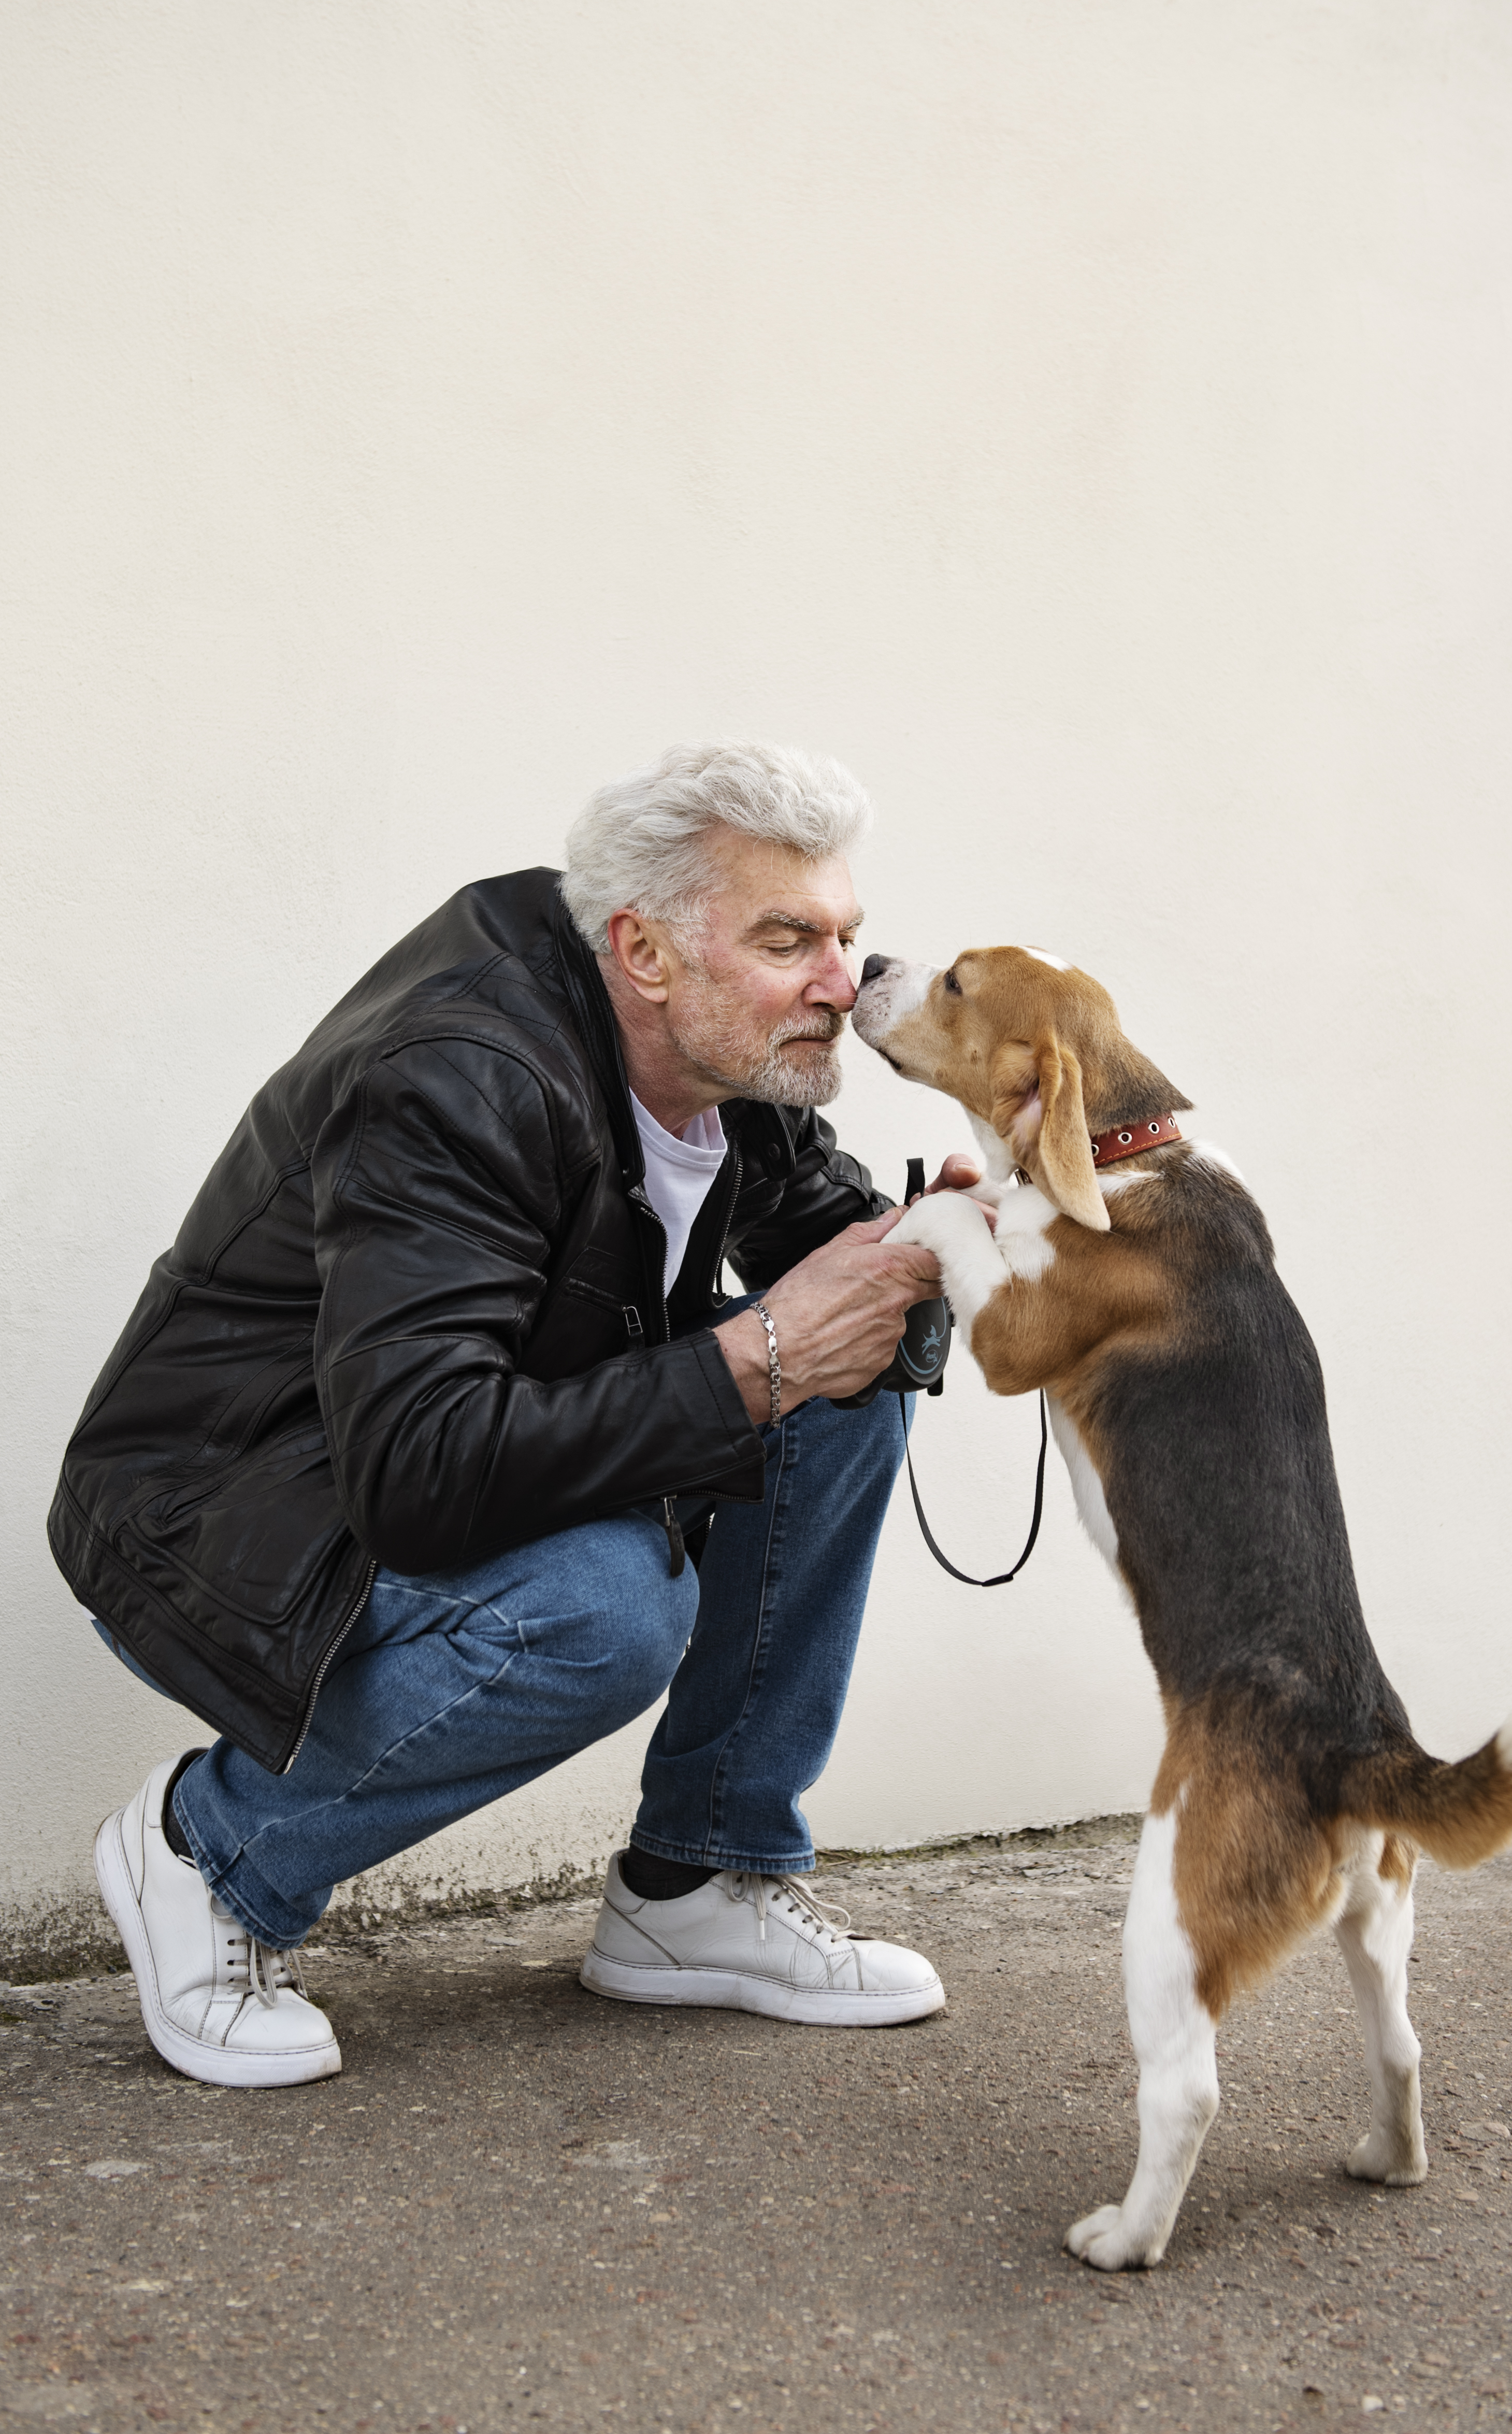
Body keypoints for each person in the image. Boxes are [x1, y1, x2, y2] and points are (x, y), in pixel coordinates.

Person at [50, 742, 977, 2089]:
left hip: (445, 1435)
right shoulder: (460, 1071)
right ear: (644, 950)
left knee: (837, 1402)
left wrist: (932, 1252)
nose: (841, 982)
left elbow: (819, 1252)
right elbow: (421, 1472)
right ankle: (215, 1854)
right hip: (229, 1505)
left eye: (847, 935)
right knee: (608, 1605)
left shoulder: (729, 1039)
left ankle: (695, 1883)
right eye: (791, 939)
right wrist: (766, 1353)